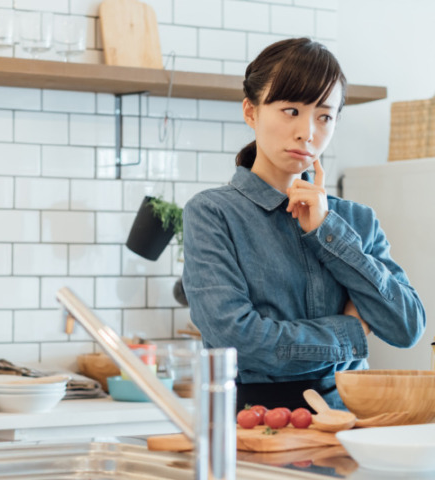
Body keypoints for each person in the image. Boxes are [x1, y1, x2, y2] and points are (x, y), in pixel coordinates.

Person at [181, 37, 426, 411]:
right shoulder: (212, 213)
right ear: (251, 111)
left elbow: (407, 327)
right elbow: (239, 342)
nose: (307, 132)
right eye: (291, 110)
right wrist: (352, 332)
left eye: (324, 116)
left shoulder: (356, 219)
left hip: (351, 424)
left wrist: (327, 231)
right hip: (255, 426)